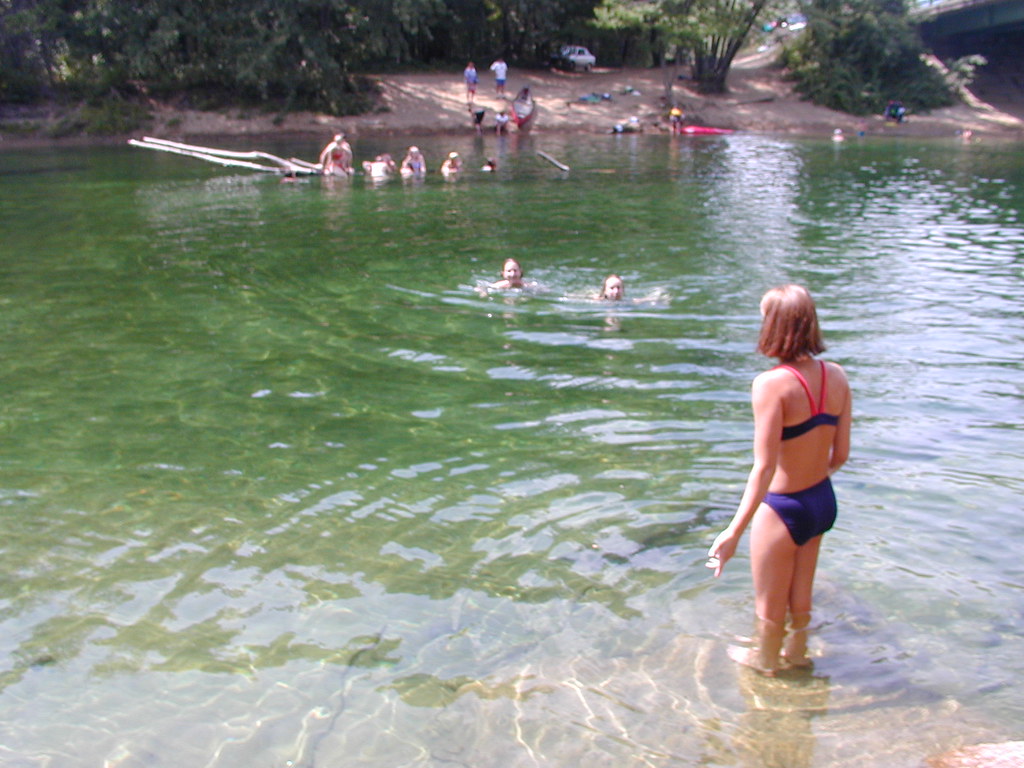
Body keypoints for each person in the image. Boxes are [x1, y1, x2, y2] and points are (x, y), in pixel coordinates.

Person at [707, 284, 852, 676]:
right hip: (823, 502)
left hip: (783, 509)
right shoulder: (837, 377)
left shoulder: (770, 384)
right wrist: (812, 480)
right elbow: (840, 455)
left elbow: (764, 468)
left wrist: (733, 531)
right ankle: (798, 656)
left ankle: (765, 666)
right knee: (800, 601)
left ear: (777, 326)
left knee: (769, 610)